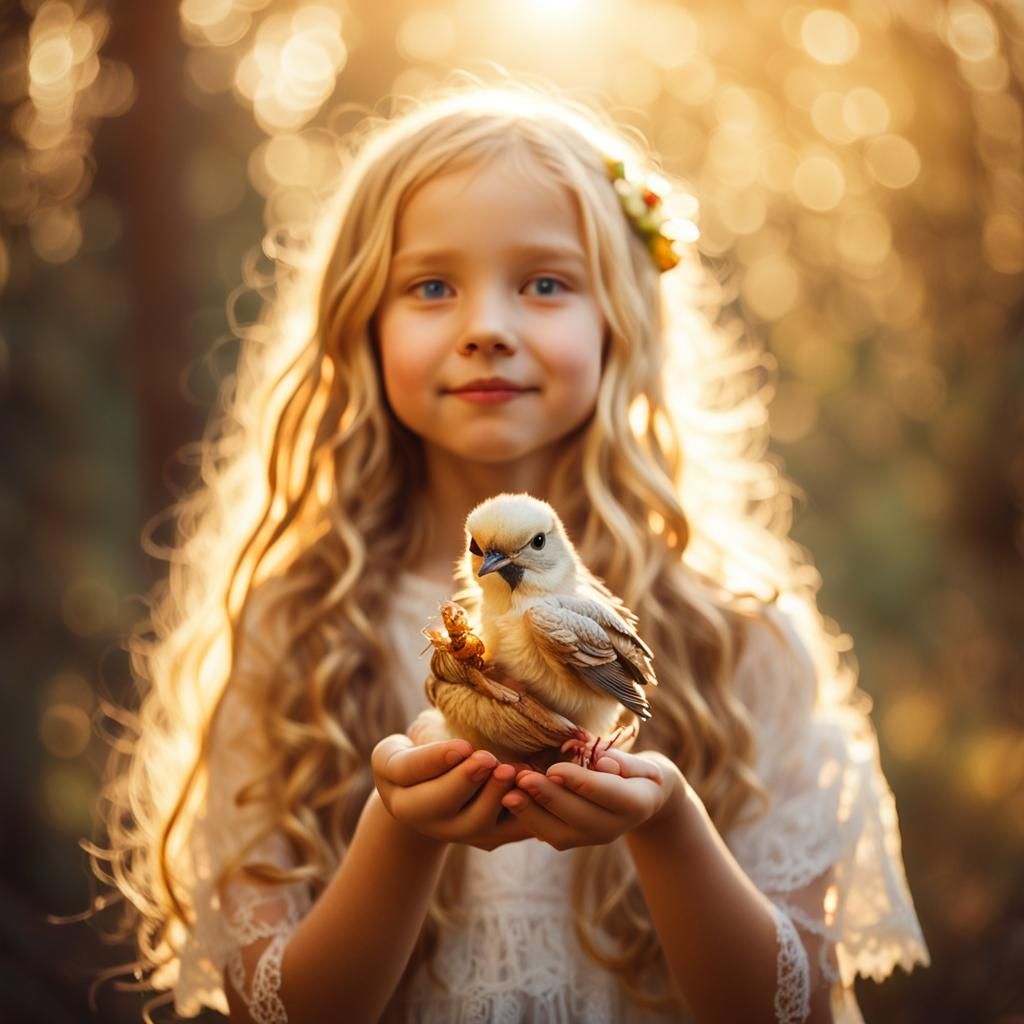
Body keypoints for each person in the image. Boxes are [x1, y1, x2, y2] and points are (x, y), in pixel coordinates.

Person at [93, 74, 929, 1024]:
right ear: (360, 325)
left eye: (544, 283)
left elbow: (794, 1007)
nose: (487, 329)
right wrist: (398, 837)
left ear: (621, 324)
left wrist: (667, 828)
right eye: (432, 286)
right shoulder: (294, 633)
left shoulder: (743, 640)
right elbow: (278, 1009)